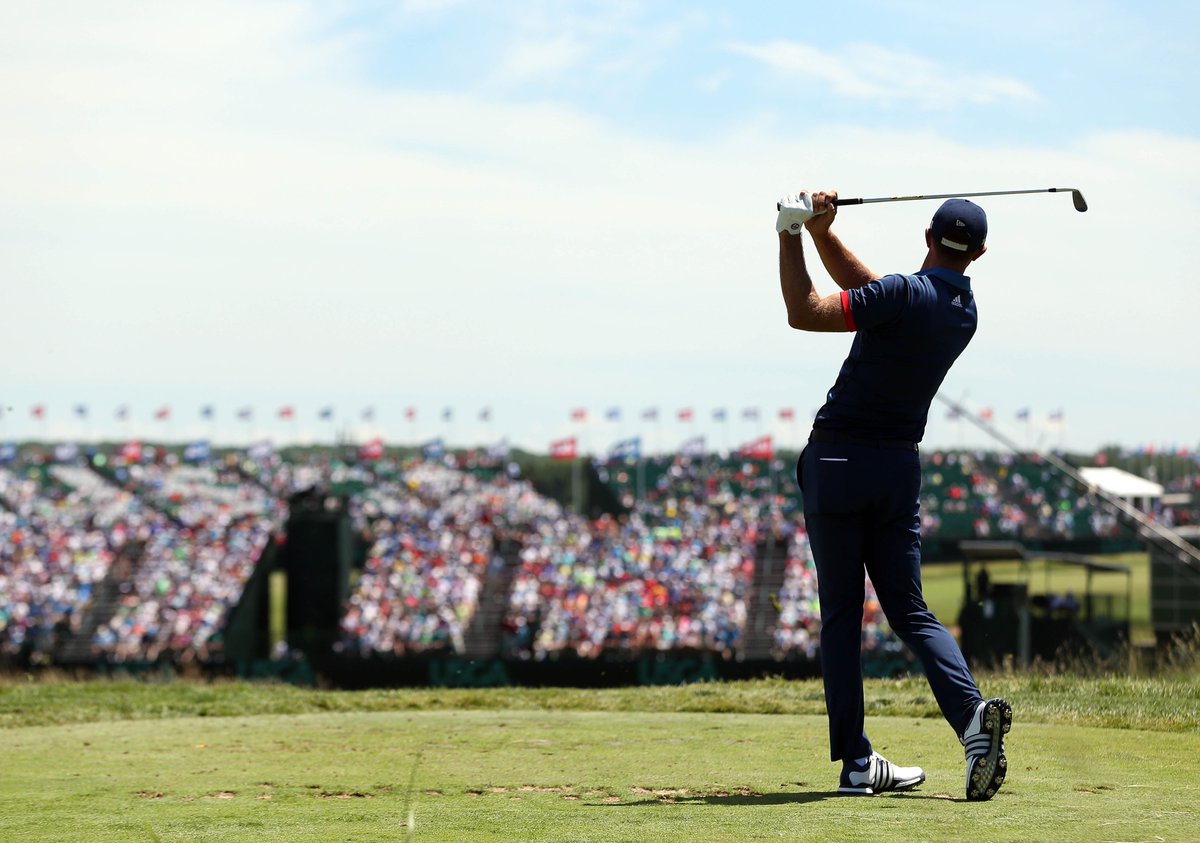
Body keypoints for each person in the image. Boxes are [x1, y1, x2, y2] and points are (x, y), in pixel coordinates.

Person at [775, 189, 1012, 801]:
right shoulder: (961, 310)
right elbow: (885, 293)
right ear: (979, 253)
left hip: (836, 462)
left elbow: (804, 311)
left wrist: (790, 234)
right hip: (896, 470)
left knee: (842, 618)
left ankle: (856, 760)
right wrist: (826, 233)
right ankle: (969, 721)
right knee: (911, 612)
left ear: (926, 235)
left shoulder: (904, 293)